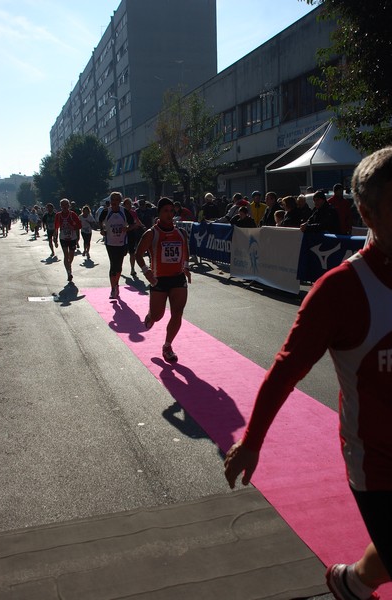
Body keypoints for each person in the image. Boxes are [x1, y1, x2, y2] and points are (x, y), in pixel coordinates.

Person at [224, 146, 392, 600]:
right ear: (367, 213)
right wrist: (252, 440)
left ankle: (352, 582)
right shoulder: (341, 290)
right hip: (379, 464)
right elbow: (286, 370)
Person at [135, 197, 191, 363]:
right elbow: (138, 254)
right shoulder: (151, 233)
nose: (169, 214)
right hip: (158, 280)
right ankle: (151, 316)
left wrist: (186, 267)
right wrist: (147, 273)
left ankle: (167, 346)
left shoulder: (181, 233)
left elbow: (186, 252)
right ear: (159, 213)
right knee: (158, 316)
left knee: (177, 313)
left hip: (178, 279)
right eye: (165, 211)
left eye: (171, 211)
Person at [99, 191, 134, 299]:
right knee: (112, 265)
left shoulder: (125, 212)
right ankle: (113, 288)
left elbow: (133, 224)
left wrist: (127, 228)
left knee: (119, 265)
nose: (114, 202)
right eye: (112, 199)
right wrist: (102, 230)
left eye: (116, 200)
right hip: (110, 242)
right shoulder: (106, 211)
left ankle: (116, 283)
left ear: (120, 201)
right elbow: (100, 221)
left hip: (122, 242)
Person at [54, 198, 82, 282]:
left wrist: (72, 227)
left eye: (66, 204)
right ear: (60, 206)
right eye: (63, 205)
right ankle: (69, 273)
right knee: (66, 255)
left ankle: (69, 266)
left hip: (72, 238)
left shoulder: (72, 214)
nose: (64, 206)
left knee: (71, 255)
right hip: (63, 238)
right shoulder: (58, 215)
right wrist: (55, 239)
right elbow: (56, 228)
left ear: (69, 205)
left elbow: (79, 225)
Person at [123, 197, 144, 276]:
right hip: (123, 235)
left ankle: (132, 269)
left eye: (129, 204)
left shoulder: (133, 212)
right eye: (127, 204)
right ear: (124, 205)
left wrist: (142, 226)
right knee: (123, 253)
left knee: (132, 252)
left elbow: (137, 221)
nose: (128, 205)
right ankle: (118, 266)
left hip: (131, 234)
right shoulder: (122, 213)